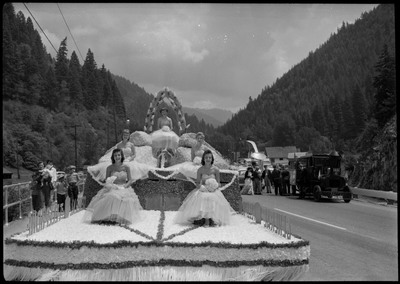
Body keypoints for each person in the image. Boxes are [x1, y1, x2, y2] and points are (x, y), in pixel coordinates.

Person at [174, 150, 233, 227]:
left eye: (209, 157)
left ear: (212, 159)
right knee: (203, 197)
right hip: (203, 189)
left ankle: (212, 219)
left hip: (213, 190)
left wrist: (214, 186)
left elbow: (219, 183)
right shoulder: (200, 170)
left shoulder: (216, 170)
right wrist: (202, 187)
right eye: (206, 157)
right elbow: (197, 183)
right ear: (203, 159)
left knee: (213, 197)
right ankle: (205, 220)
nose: (208, 159)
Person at [83, 148, 142, 225]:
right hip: (113, 187)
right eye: (115, 155)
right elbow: (107, 180)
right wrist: (110, 184)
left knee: (127, 200)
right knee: (111, 196)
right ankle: (106, 217)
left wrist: (125, 186)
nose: (117, 157)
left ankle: (121, 217)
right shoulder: (109, 168)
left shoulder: (126, 167)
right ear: (113, 157)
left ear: (121, 156)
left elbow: (130, 180)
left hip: (123, 187)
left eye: (119, 155)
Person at [87, 129, 154, 185]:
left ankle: (126, 182)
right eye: (124, 135)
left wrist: (130, 159)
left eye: (127, 135)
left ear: (129, 136)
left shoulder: (131, 145)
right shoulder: (119, 145)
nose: (125, 136)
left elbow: (134, 155)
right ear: (122, 136)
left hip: (128, 160)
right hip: (120, 160)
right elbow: (117, 153)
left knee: (131, 169)